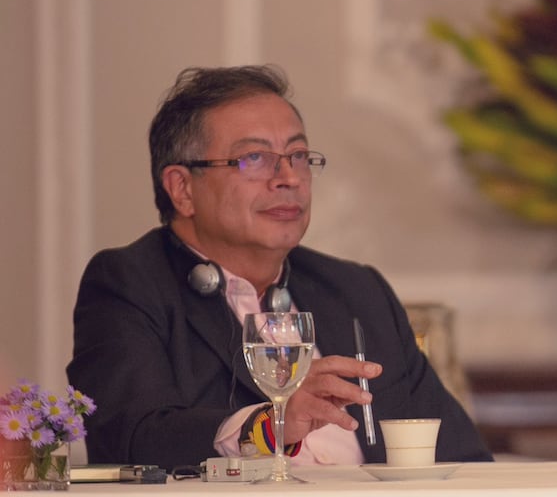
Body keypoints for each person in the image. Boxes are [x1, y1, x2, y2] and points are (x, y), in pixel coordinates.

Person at [67, 65, 491, 470]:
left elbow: (461, 457)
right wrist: (269, 426)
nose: (288, 177)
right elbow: (130, 440)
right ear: (182, 189)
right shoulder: (130, 284)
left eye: (298, 155)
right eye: (253, 158)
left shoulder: (356, 290)